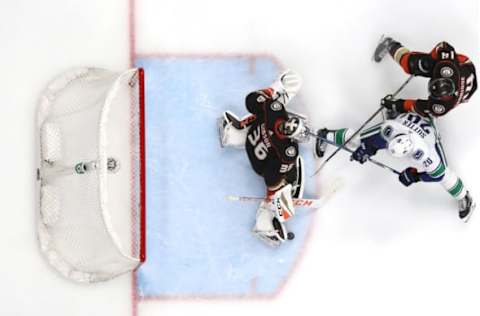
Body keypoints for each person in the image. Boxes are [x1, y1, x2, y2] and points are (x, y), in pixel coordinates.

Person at [315, 111, 475, 222]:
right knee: (358, 139)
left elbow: (438, 175)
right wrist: (365, 149)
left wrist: (415, 176)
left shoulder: (424, 152)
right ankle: (326, 134)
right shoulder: (389, 129)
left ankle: (464, 196)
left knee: (445, 174)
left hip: (428, 134)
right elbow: (368, 139)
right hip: (403, 122)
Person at [219, 70, 308, 246]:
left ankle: (234, 133)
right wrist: (274, 191)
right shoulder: (288, 151)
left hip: (250, 139)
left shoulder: (275, 111)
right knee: (288, 172)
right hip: (259, 163)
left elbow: (253, 100)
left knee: (261, 112)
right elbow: (272, 176)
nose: (289, 124)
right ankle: (266, 219)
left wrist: (276, 87)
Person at [374, 37, 477, 117]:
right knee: (410, 65)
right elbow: (444, 46)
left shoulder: (440, 107)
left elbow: (416, 106)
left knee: (427, 112)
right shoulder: (447, 68)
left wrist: (395, 105)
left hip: (466, 90)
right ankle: (390, 44)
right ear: (442, 78)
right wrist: (429, 60)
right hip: (464, 65)